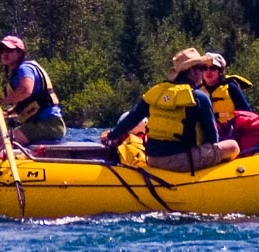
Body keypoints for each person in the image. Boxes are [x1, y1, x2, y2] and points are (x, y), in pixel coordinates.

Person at [101, 48, 239, 173]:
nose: (204, 72)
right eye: (202, 68)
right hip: (180, 161)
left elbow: (132, 118)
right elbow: (212, 139)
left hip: (153, 158)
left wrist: (111, 135)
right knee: (232, 146)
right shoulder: (199, 97)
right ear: (192, 71)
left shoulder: (156, 92)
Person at [0, 35, 67, 146]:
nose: (4, 53)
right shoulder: (16, 74)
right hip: (41, 125)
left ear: (19, 53)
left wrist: (2, 101)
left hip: (49, 125)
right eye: (2, 50)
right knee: (0, 141)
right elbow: (26, 106)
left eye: (9, 50)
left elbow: (25, 90)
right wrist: (6, 113)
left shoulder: (25, 68)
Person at [200, 53, 253, 131]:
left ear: (220, 71)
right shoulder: (198, 90)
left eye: (213, 68)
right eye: (204, 68)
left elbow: (247, 113)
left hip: (231, 133)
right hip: (206, 134)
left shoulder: (231, 87)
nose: (208, 72)